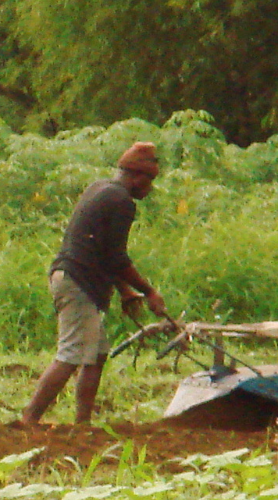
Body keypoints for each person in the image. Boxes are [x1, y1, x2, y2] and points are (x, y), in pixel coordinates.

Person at [21, 142, 168, 426]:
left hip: (69, 276)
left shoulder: (99, 188)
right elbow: (117, 257)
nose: (149, 189)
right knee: (71, 355)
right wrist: (149, 292)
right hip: (78, 282)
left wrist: (125, 291)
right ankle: (29, 420)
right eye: (150, 182)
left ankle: (83, 424)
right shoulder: (122, 202)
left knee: (97, 354)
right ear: (138, 177)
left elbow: (101, 251)